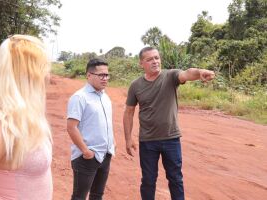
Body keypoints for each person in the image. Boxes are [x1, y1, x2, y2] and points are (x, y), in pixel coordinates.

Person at [0, 35, 53, 200]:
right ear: (30, 75)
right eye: (45, 69)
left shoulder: (23, 117)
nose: (48, 76)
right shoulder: (1, 122)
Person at [123, 46, 215, 200]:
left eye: (157, 58)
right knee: (148, 181)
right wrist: (128, 138)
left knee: (175, 179)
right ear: (141, 64)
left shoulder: (171, 76)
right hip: (147, 141)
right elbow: (129, 112)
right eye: (150, 59)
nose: (155, 61)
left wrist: (200, 73)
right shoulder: (136, 85)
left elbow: (186, 74)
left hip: (171, 139)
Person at [66, 58, 115, 200]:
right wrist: (85, 151)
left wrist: (111, 145)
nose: (105, 78)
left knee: (97, 195)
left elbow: (105, 124)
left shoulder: (105, 97)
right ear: (88, 75)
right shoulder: (79, 97)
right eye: (101, 75)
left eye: (107, 75)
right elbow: (71, 127)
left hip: (105, 155)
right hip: (86, 157)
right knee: (79, 196)